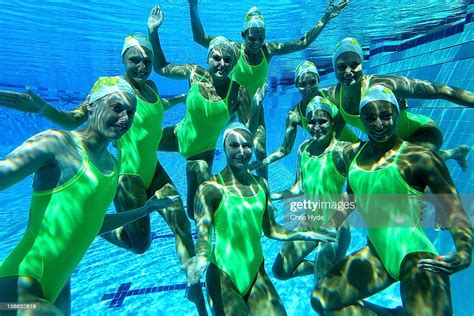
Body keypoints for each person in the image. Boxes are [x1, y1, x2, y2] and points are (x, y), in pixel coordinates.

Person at [0, 33, 207, 313]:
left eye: (130, 112)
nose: (124, 118)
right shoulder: (57, 143)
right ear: (92, 104)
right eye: (116, 107)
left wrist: (146, 209)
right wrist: (44, 108)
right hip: (16, 289)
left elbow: (94, 223)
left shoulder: (110, 166)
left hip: (59, 287)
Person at [310, 86, 472, 315]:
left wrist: (464, 250)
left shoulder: (419, 157)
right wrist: (331, 223)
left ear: (397, 115)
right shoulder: (354, 157)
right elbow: (351, 196)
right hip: (376, 254)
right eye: (370, 118)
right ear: (362, 121)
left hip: (416, 256)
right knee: (322, 300)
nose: (378, 124)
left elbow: (453, 207)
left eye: (386, 116)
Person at [183, 123, 336, 316]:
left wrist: (307, 234)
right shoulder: (210, 188)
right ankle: (199, 299)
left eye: (246, 145)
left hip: (256, 273)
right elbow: (203, 236)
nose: (241, 151)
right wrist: (201, 258)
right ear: (225, 147)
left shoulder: (261, 185)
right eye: (234, 146)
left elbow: (271, 229)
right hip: (223, 276)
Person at [188, 0, 350, 179]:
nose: (256, 43)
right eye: (252, 38)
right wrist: (193, 6)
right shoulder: (234, 49)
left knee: (259, 149)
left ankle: (264, 191)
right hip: (231, 105)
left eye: (261, 38)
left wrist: (326, 17)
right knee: (215, 145)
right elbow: (199, 38)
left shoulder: (268, 50)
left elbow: (303, 43)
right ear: (243, 35)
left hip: (255, 107)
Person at [148, 5, 260, 220]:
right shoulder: (194, 73)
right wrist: (153, 32)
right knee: (134, 140)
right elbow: (161, 67)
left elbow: (246, 134)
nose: (222, 64)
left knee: (193, 212)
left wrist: (256, 108)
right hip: (176, 136)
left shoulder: (239, 92)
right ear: (208, 57)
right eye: (216, 58)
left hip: (201, 155)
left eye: (228, 60)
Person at [327, 37, 472, 170]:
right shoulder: (335, 95)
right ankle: (456, 153)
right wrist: (331, 145)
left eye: (354, 64)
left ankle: (452, 154)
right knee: (394, 172)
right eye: (341, 67)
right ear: (334, 69)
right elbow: (339, 119)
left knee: (403, 168)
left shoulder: (383, 85)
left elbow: (441, 90)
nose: (348, 72)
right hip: (389, 143)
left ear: (362, 64)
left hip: (422, 133)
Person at [270, 96, 352, 282]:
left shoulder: (343, 151)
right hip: (310, 220)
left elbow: (355, 194)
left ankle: (331, 274)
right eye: (312, 122)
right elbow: (298, 187)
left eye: (322, 121)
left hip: (335, 225)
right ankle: (333, 271)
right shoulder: (303, 149)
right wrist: (271, 196)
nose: (316, 127)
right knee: (280, 271)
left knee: (323, 297)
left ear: (332, 122)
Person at [250, 60, 358, 172]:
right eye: (302, 84)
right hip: (334, 159)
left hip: (354, 147)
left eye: (312, 82)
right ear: (296, 84)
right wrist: (263, 162)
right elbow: (285, 149)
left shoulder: (330, 94)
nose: (308, 88)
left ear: (318, 80)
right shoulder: (294, 115)